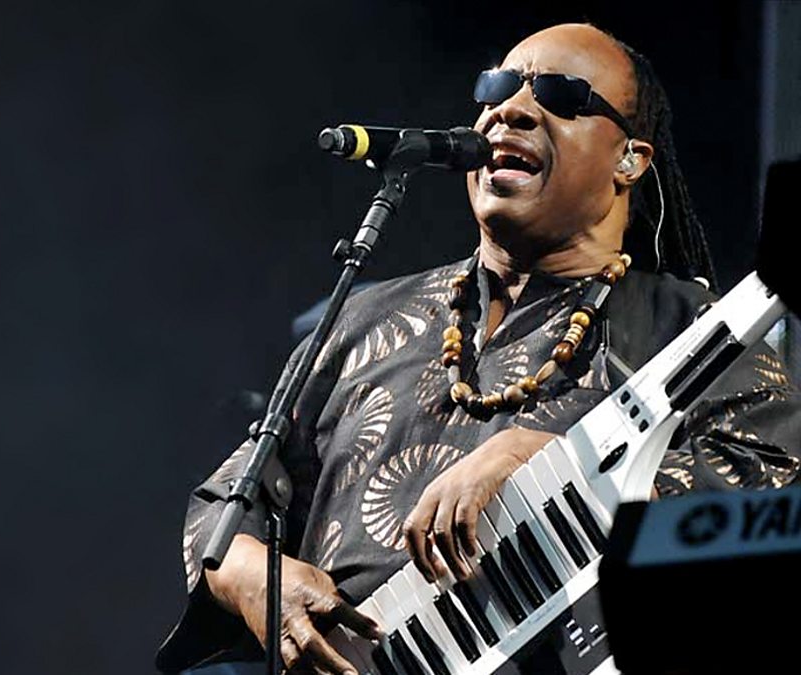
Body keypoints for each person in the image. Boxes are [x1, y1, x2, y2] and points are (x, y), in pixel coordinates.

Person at [156, 23, 801, 675]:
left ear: (629, 161)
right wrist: (254, 577)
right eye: (497, 87)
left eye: (561, 95)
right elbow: (229, 502)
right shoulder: (365, 319)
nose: (510, 110)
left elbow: (768, 499)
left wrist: (554, 463)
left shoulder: (689, 326)